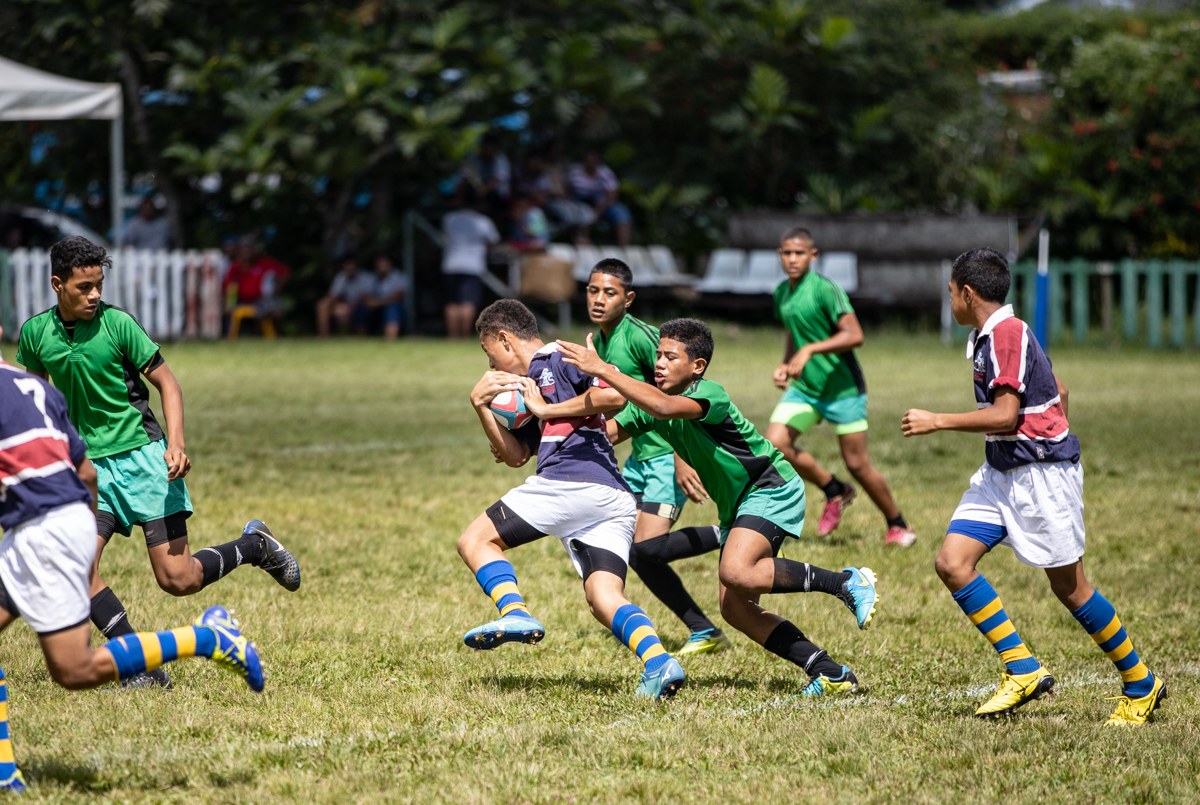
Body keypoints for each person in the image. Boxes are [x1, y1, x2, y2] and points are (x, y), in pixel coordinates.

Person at [16, 236, 300, 689]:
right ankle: (140, 664)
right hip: (88, 472)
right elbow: (36, 401)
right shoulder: (35, 334)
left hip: (143, 457)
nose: (94, 295)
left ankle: (255, 546)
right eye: (84, 287)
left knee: (178, 579)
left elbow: (168, 383)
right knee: (77, 565)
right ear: (57, 284)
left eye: (99, 285)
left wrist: (177, 444)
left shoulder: (119, 325)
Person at [902, 247, 1165, 724]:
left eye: (951, 294)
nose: (950, 303)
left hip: (1039, 478)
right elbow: (1058, 390)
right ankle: (1021, 667)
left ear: (968, 292)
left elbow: (1004, 414)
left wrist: (936, 420)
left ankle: (1141, 683)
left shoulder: (1006, 333)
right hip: (1002, 471)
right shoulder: (996, 332)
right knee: (952, 562)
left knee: (1071, 588)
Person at [558, 319, 879, 697]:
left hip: (769, 487)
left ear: (697, 366)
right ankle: (830, 672)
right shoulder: (651, 405)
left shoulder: (708, 394)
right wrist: (544, 421)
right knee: (736, 609)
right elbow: (605, 435)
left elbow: (662, 406)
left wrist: (603, 371)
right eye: (658, 354)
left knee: (737, 571)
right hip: (736, 507)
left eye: (670, 356)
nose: (659, 362)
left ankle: (845, 582)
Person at [0, 340, 264, 792]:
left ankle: (206, 638)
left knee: (78, 667)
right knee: (73, 671)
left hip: (43, 531)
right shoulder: (32, 387)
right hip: (60, 522)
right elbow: (84, 472)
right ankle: (6, 775)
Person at [457, 299, 686, 700]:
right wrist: (480, 406)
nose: (489, 364)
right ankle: (659, 661)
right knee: (603, 598)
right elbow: (514, 456)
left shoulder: (555, 358)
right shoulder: (530, 385)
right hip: (612, 498)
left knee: (475, 541)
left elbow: (615, 397)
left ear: (504, 338)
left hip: (572, 481)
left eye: (486, 351)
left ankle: (514, 613)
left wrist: (546, 409)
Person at [586, 260, 728, 655]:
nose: (599, 300)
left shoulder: (641, 338)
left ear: (628, 299)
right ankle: (704, 630)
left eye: (609, 292)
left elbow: (682, 389)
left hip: (667, 456)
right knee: (635, 552)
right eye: (593, 291)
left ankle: (733, 535)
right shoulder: (598, 342)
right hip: (638, 459)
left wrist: (684, 456)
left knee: (647, 548)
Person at [765, 228, 916, 547]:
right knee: (775, 444)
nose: (793, 259)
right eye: (787, 253)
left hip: (843, 388)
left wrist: (810, 351)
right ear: (780, 255)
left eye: (800, 253)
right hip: (806, 389)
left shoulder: (825, 289)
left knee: (857, 464)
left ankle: (898, 524)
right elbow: (795, 331)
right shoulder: (782, 292)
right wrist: (786, 362)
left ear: (813, 256)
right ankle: (833, 489)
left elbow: (855, 335)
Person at [441, 190, 500, 339]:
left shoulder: (449, 219)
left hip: (451, 264)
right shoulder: (483, 221)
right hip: (473, 265)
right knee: (468, 302)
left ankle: (452, 337)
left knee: (452, 302)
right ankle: (465, 336)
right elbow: (494, 241)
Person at [221, 235, 291, 334]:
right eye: (244, 248)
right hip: (242, 301)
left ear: (254, 249)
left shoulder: (265, 262)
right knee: (226, 310)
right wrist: (229, 304)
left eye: (249, 247)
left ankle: (274, 335)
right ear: (239, 251)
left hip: (262, 300)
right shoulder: (235, 267)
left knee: (276, 312)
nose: (247, 251)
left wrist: (276, 289)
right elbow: (230, 287)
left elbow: (285, 273)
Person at [567, 150, 632, 247]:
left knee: (622, 213)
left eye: (594, 160)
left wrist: (599, 209)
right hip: (579, 201)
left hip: (602, 203)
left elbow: (612, 194)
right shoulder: (574, 172)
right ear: (584, 161)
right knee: (583, 213)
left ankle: (624, 248)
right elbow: (567, 190)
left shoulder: (605, 172)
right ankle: (583, 242)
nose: (591, 162)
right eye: (589, 160)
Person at [316, 256, 376, 337]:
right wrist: (327, 302)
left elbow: (367, 298)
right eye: (347, 268)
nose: (349, 270)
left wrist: (349, 305)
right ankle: (323, 337)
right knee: (323, 305)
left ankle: (352, 336)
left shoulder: (365, 277)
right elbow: (334, 295)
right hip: (345, 305)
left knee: (349, 311)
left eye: (351, 268)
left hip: (361, 305)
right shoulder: (341, 277)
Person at [460, 131, 511, 217]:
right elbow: (465, 178)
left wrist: (482, 191)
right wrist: (458, 198)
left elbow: (496, 180)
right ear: (482, 145)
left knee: (493, 198)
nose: (489, 149)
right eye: (487, 145)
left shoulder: (500, 159)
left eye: (492, 146)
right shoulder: (473, 158)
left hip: (495, 196)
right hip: (477, 193)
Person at [364, 253, 408, 340]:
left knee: (392, 308)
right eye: (380, 264)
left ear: (390, 264)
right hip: (374, 308)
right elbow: (365, 295)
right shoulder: (370, 277)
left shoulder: (398, 276)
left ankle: (390, 341)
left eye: (385, 264)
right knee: (361, 309)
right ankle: (360, 341)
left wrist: (379, 303)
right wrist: (371, 302)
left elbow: (398, 296)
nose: (382, 267)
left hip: (392, 307)